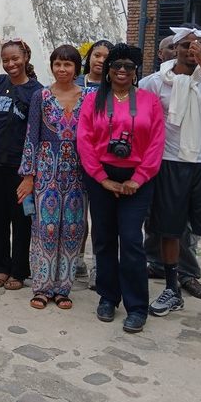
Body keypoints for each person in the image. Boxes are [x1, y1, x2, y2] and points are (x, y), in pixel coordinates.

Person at [140, 24, 201, 330]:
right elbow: (142, 119)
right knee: (169, 231)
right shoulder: (156, 82)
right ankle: (171, 288)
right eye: (185, 45)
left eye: (198, 45)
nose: (191, 49)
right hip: (170, 163)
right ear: (174, 49)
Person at [78, 44, 165, 333]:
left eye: (128, 66)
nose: (122, 71)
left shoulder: (149, 101)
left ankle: (137, 306)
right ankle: (107, 296)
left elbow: (156, 142)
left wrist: (138, 179)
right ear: (108, 70)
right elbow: (85, 139)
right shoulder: (94, 101)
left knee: (130, 240)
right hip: (101, 176)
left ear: (136, 70)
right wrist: (102, 178)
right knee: (103, 238)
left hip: (137, 179)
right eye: (117, 66)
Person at [17, 45, 87, 310]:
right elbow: (31, 136)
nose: (62, 69)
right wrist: (28, 175)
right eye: (58, 64)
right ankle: (43, 286)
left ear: (76, 68)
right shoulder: (41, 96)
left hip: (78, 172)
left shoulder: (88, 96)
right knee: (44, 228)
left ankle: (63, 288)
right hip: (47, 171)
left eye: (68, 65)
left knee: (71, 229)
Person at [145, 34, 201, 299]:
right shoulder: (152, 83)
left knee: (183, 226)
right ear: (161, 54)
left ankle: (187, 273)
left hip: (188, 159)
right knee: (154, 218)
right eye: (172, 47)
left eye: (183, 46)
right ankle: (156, 263)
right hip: (156, 159)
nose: (180, 50)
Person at [0, 39, 41, 291]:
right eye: (6, 60)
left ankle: (18, 270)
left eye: (15, 58)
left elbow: (37, 133)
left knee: (21, 219)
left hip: (21, 166)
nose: (10, 64)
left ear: (26, 57)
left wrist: (31, 172)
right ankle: (0, 267)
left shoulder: (37, 92)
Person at [74, 39, 113, 287]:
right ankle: (76, 259)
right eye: (96, 55)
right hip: (74, 157)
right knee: (78, 213)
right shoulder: (76, 83)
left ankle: (101, 263)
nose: (100, 60)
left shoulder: (115, 88)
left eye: (105, 56)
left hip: (103, 159)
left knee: (101, 215)